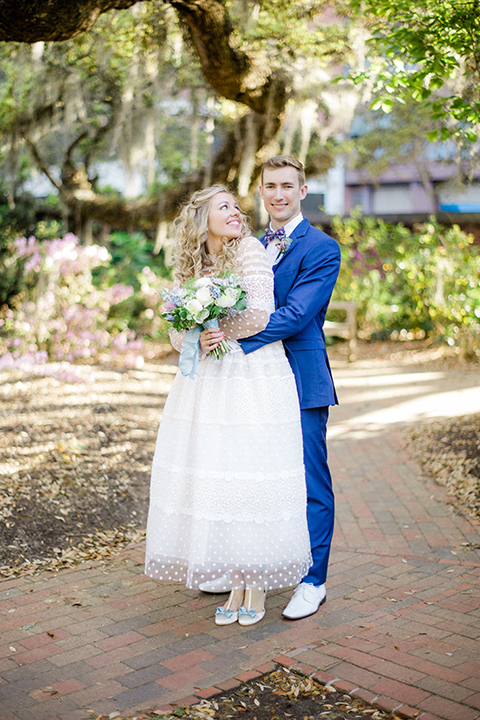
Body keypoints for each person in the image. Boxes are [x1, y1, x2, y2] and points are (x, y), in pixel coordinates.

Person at [145, 184, 312, 626]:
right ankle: (234, 576)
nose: (236, 213)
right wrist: (199, 336)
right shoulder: (190, 264)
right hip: (208, 381)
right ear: (203, 219)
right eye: (225, 207)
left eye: (237, 207)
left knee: (251, 468)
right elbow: (175, 331)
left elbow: (259, 313)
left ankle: (253, 584)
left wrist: (221, 330)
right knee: (219, 472)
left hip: (250, 373)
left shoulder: (251, 252)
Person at [200, 157, 341, 620]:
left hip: (300, 378)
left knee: (309, 480)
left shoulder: (322, 248)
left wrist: (234, 338)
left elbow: (297, 315)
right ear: (260, 192)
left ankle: (313, 579)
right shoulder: (250, 246)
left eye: (287, 186)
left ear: (302, 191)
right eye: (269, 187)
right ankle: (246, 568)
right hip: (255, 381)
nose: (277, 195)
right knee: (253, 474)